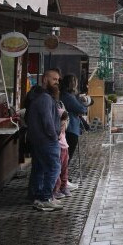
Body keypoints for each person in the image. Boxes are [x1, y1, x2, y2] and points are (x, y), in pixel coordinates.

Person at [27, 68, 63, 211]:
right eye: (54, 79)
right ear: (45, 79)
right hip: (46, 140)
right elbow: (47, 121)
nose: (57, 83)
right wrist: (54, 136)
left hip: (38, 139)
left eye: (58, 80)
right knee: (54, 167)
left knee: (40, 168)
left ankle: (37, 195)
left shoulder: (37, 96)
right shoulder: (45, 98)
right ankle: (45, 197)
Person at [60, 75, 88, 189]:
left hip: (69, 129)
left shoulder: (66, 96)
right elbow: (82, 109)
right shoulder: (68, 97)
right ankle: (63, 181)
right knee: (66, 157)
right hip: (71, 129)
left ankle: (64, 179)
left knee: (66, 156)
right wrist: (83, 104)